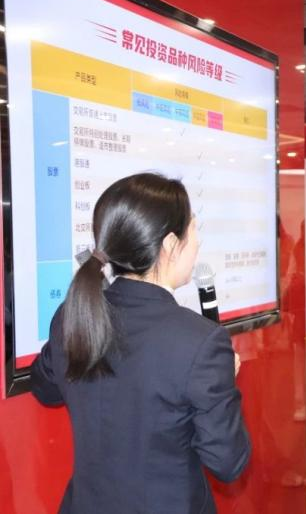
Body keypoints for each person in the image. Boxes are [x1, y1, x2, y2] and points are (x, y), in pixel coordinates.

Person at [31, 173, 251, 514]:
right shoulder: (201, 341)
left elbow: (45, 389)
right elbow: (228, 461)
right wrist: (223, 385)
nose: (198, 244)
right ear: (170, 244)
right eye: (194, 230)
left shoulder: (74, 314)